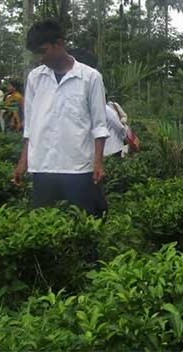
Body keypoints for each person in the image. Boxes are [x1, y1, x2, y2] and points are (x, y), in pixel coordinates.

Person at [12, 19, 110, 218]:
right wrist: (23, 161)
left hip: (77, 166)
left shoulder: (90, 77)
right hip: (43, 164)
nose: (40, 58)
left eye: (43, 51)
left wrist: (98, 163)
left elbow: (99, 125)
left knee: (82, 220)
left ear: (59, 44)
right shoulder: (35, 78)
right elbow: (30, 125)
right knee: (44, 222)